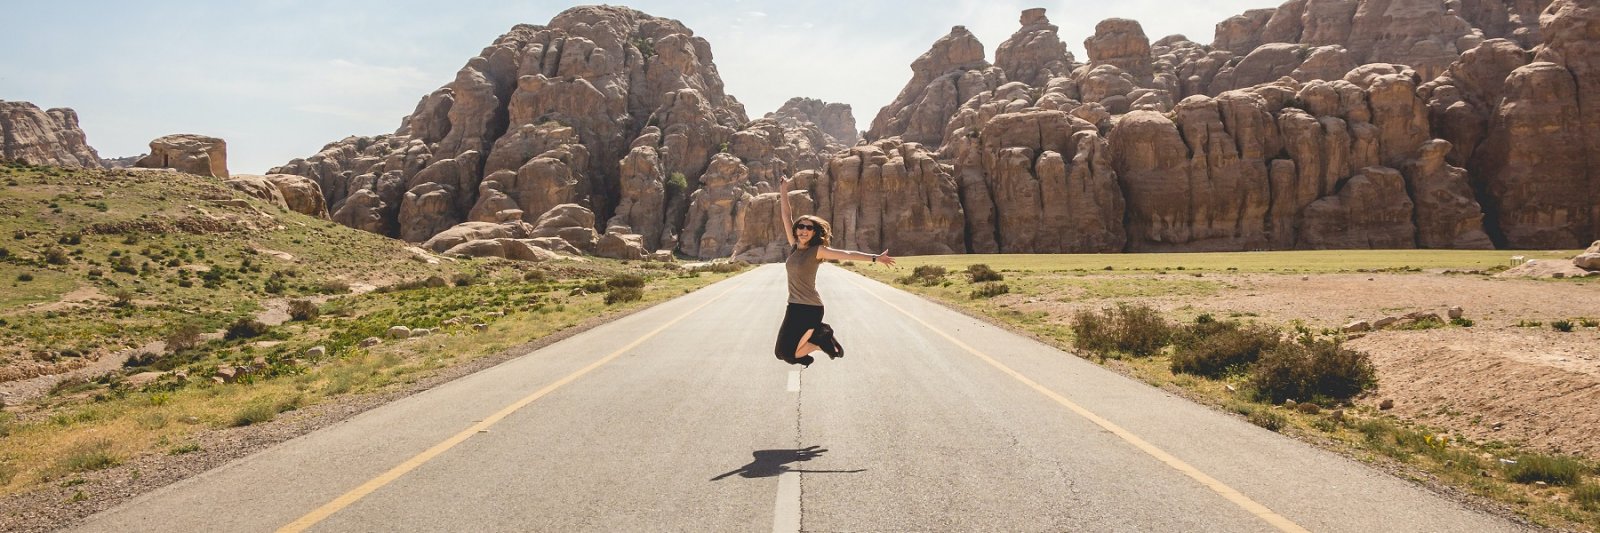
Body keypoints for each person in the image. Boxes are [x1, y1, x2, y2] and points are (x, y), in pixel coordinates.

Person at [773, 175, 896, 367]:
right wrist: (783, 189)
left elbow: (847, 253)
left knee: (789, 354)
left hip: (809, 309)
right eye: (801, 227)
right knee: (781, 353)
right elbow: (786, 216)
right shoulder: (795, 246)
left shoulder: (817, 251)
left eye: (809, 228)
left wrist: (875, 258)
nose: (803, 230)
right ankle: (821, 340)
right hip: (793, 306)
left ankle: (821, 341)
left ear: (814, 232)